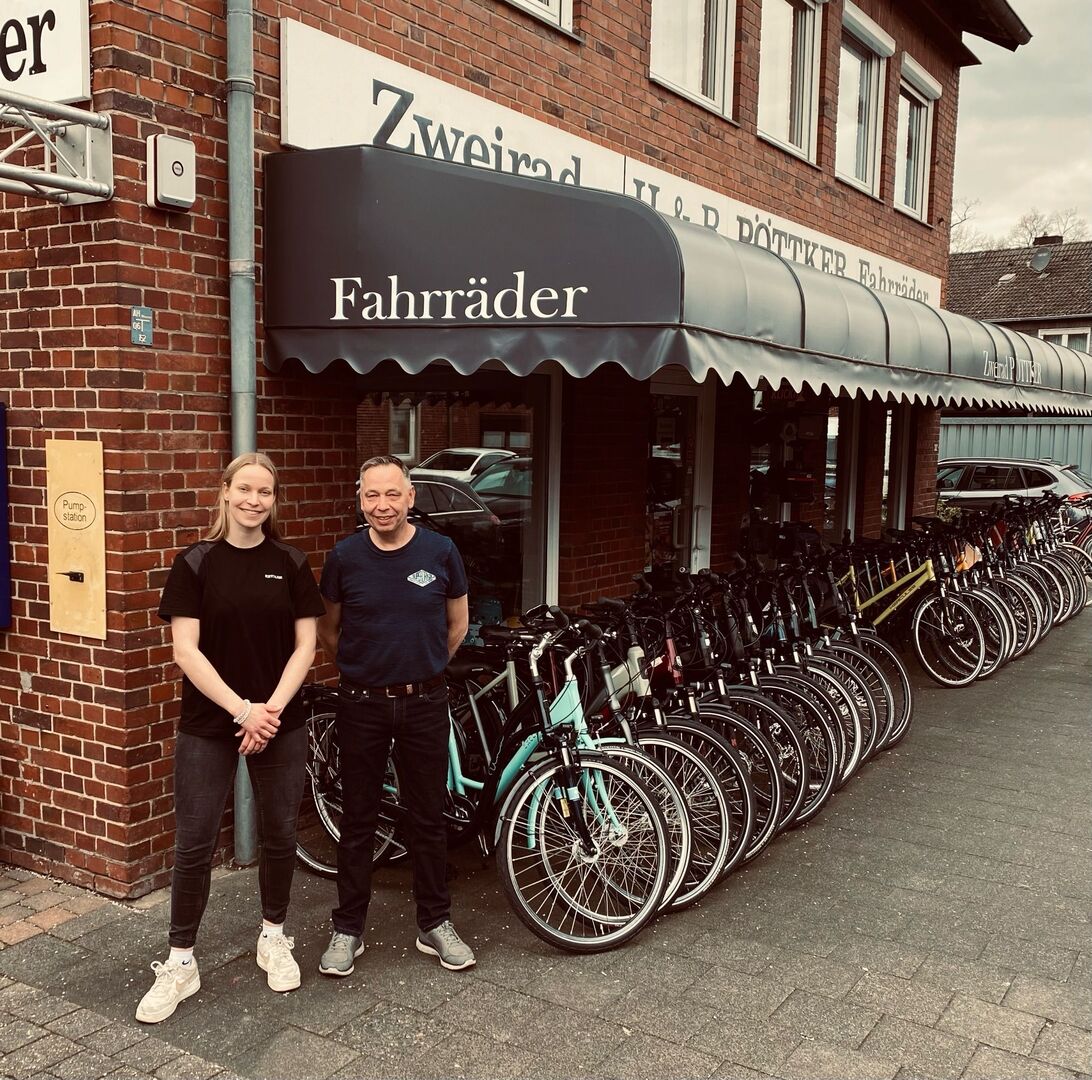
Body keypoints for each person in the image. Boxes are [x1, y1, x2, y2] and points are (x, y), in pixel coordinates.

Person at [136, 452, 326, 1024]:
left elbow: (306, 648)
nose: (253, 500)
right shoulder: (195, 563)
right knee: (193, 843)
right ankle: (180, 961)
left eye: (264, 492)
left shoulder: (290, 561)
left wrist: (268, 711)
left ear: (274, 499)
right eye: (244, 489)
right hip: (209, 725)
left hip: (279, 720)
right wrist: (242, 710)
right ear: (224, 492)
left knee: (278, 833)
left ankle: (274, 936)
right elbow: (184, 651)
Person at [317, 454, 474, 977]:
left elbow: (457, 624)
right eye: (371, 496)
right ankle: (347, 929)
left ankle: (434, 923)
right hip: (361, 704)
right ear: (359, 501)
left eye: (391, 494)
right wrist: (370, 670)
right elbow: (330, 631)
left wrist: (422, 669)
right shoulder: (344, 557)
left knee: (428, 817)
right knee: (358, 819)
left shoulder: (441, 551)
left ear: (411, 497)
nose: (381, 506)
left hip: (424, 703)